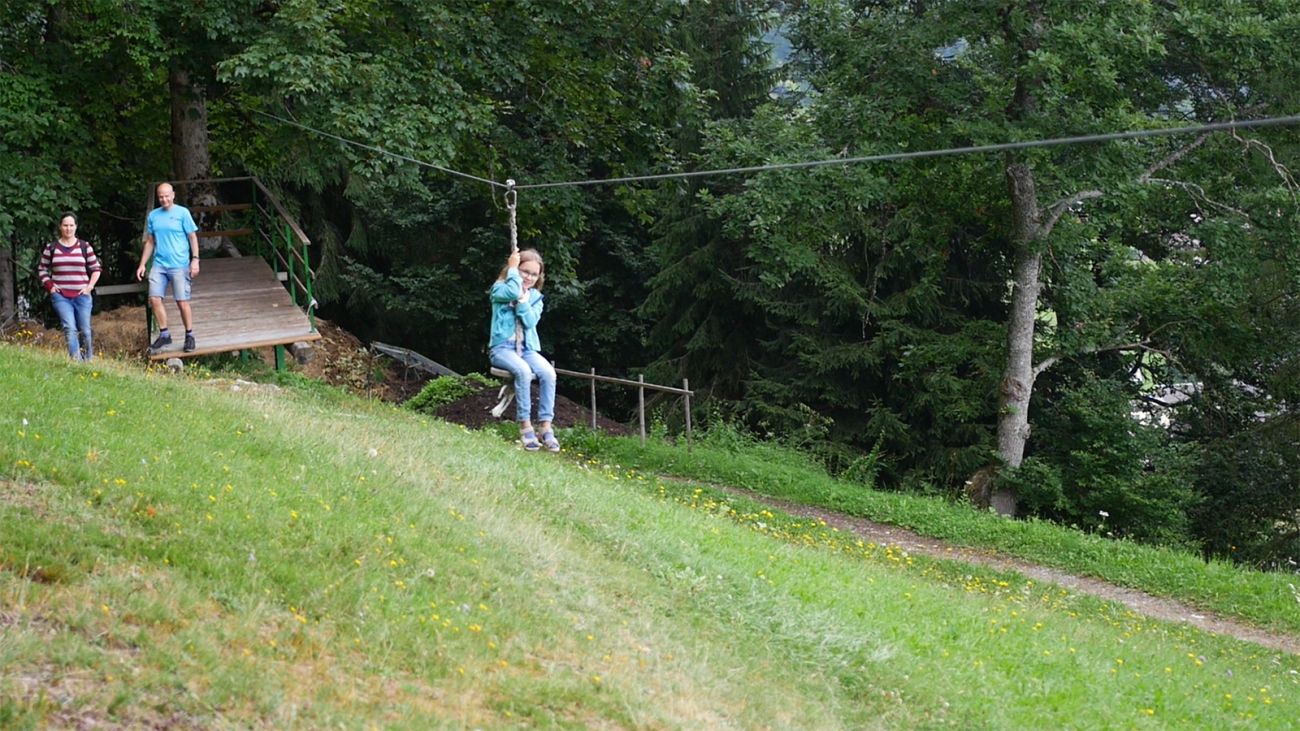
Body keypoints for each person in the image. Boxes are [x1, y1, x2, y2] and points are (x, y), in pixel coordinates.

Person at [488, 248, 560, 452]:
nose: (529, 277)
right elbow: (512, 292)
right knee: (524, 372)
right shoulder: (500, 289)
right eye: (524, 271)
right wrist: (512, 270)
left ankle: (545, 426)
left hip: (527, 349)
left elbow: (529, 321)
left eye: (534, 274)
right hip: (502, 349)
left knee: (549, 373)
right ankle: (525, 425)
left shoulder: (536, 297)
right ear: (515, 269)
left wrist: (522, 302)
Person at [136, 182, 200, 353]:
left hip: (179, 264)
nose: (164, 199)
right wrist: (142, 264)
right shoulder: (153, 216)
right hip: (159, 264)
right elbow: (150, 241)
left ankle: (189, 335)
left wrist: (195, 260)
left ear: (173, 195)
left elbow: (192, 237)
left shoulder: (182, 213)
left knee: (182, 302)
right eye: (161, 197)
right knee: (154, 299)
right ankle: (164, 334)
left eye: (166, 196)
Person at [37, 213, 101, 361]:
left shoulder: (85, 247)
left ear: (76, 227)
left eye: (71, 225)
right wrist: (50, 286)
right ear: (60, 227)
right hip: (61, 296)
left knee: (85, 330)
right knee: (70, 328)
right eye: (65, 225)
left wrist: (89, 287)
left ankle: (87, 361)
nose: (68, 228)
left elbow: (96, 268)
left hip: (82, 296)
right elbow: (42, 269)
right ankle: (76, 362)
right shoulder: (52, 248)